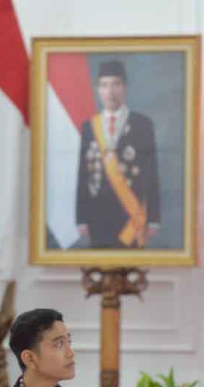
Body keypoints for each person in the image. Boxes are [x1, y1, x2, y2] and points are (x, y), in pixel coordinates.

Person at [76, 59, 161, 249]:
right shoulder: (89, 127)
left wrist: (153, 219)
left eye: (116, 84)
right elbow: (83, 174)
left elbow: (151, 173)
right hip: (98, 213)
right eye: (104, 85)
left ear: (125, 87)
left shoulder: (142, 124)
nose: (110, 92)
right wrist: (81, 218)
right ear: (98, 90)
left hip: (131, 214)